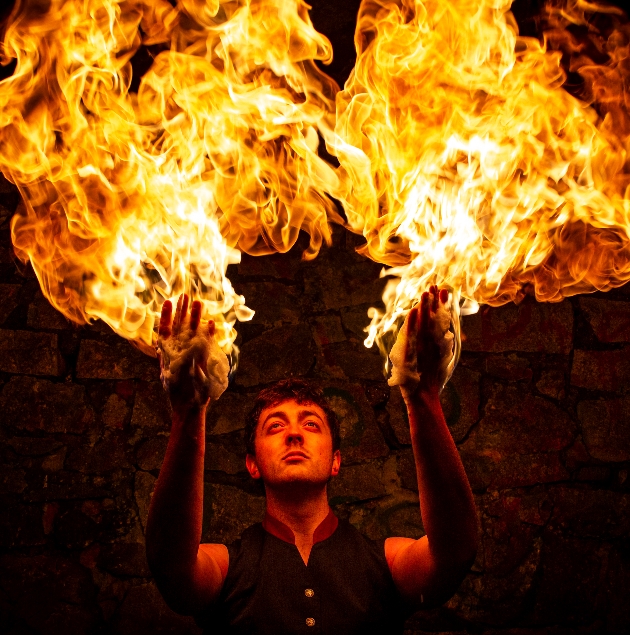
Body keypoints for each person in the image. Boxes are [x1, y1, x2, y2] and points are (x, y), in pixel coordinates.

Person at [146, 288, 478, 634]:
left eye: (311, 424)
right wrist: (189, 410)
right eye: (275, 426)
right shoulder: (225, 566)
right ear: (252, 464)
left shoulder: (386, 562)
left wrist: (422, 396)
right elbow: (174, 574)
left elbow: (453, 554)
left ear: (336, 461)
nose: (294, 434)